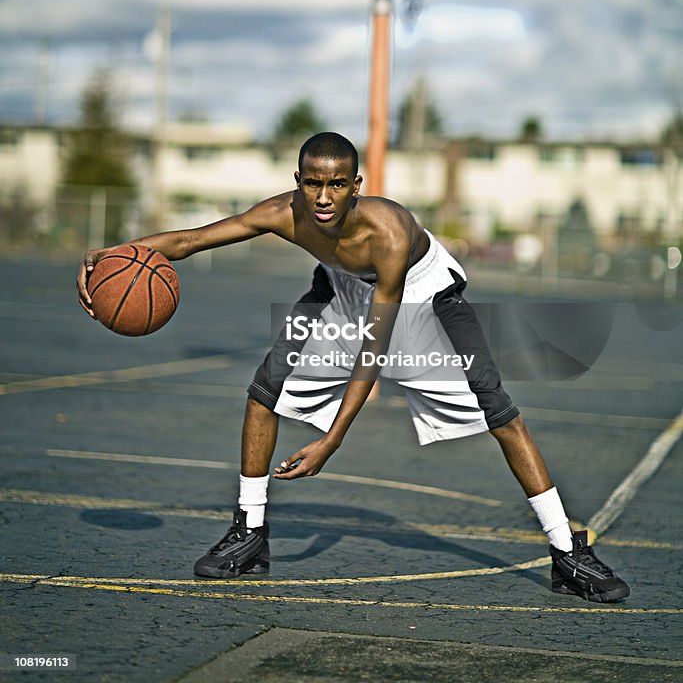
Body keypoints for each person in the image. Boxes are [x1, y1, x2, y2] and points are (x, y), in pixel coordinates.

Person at [77, 132, 629, 602]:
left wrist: (331, 440)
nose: (322, 196)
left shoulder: (388, 232)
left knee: (501, 414)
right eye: (312, 183)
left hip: (422, 296)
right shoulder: (282, 213)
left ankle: (566, 553)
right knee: (265, 390)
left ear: (355, 186)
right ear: (297, 180)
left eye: (336, 184)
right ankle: (250, 532)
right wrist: (110, 255)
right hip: (341, 287)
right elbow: (191, 240)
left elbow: (374, 347)